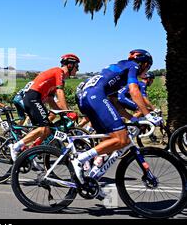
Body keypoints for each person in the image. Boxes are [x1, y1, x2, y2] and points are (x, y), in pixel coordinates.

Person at [74, 50, 163, 188]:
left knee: (110, 141)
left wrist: (133, 119)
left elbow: (116, 104)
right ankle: (80, 159)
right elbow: (134, 91)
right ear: (144, 64)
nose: (146, 70)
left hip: (85, 98)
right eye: (148, 67)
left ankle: (92, 178)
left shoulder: (120, 72)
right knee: (122, 139)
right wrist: (149, 115)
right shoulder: (132, 66)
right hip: (95, 96)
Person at [9, 54, 81, 161]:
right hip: (33, 97)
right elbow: (59, 92)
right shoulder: (58, 72)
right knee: (43, 128)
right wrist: (67, 112)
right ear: (70, 65)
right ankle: (16, 147)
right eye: (77, 66)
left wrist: (61, 112)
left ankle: (29, 151)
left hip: (36, 99)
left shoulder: (60, 79)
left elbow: (51, 100)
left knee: (47, 130)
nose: (78, 70)